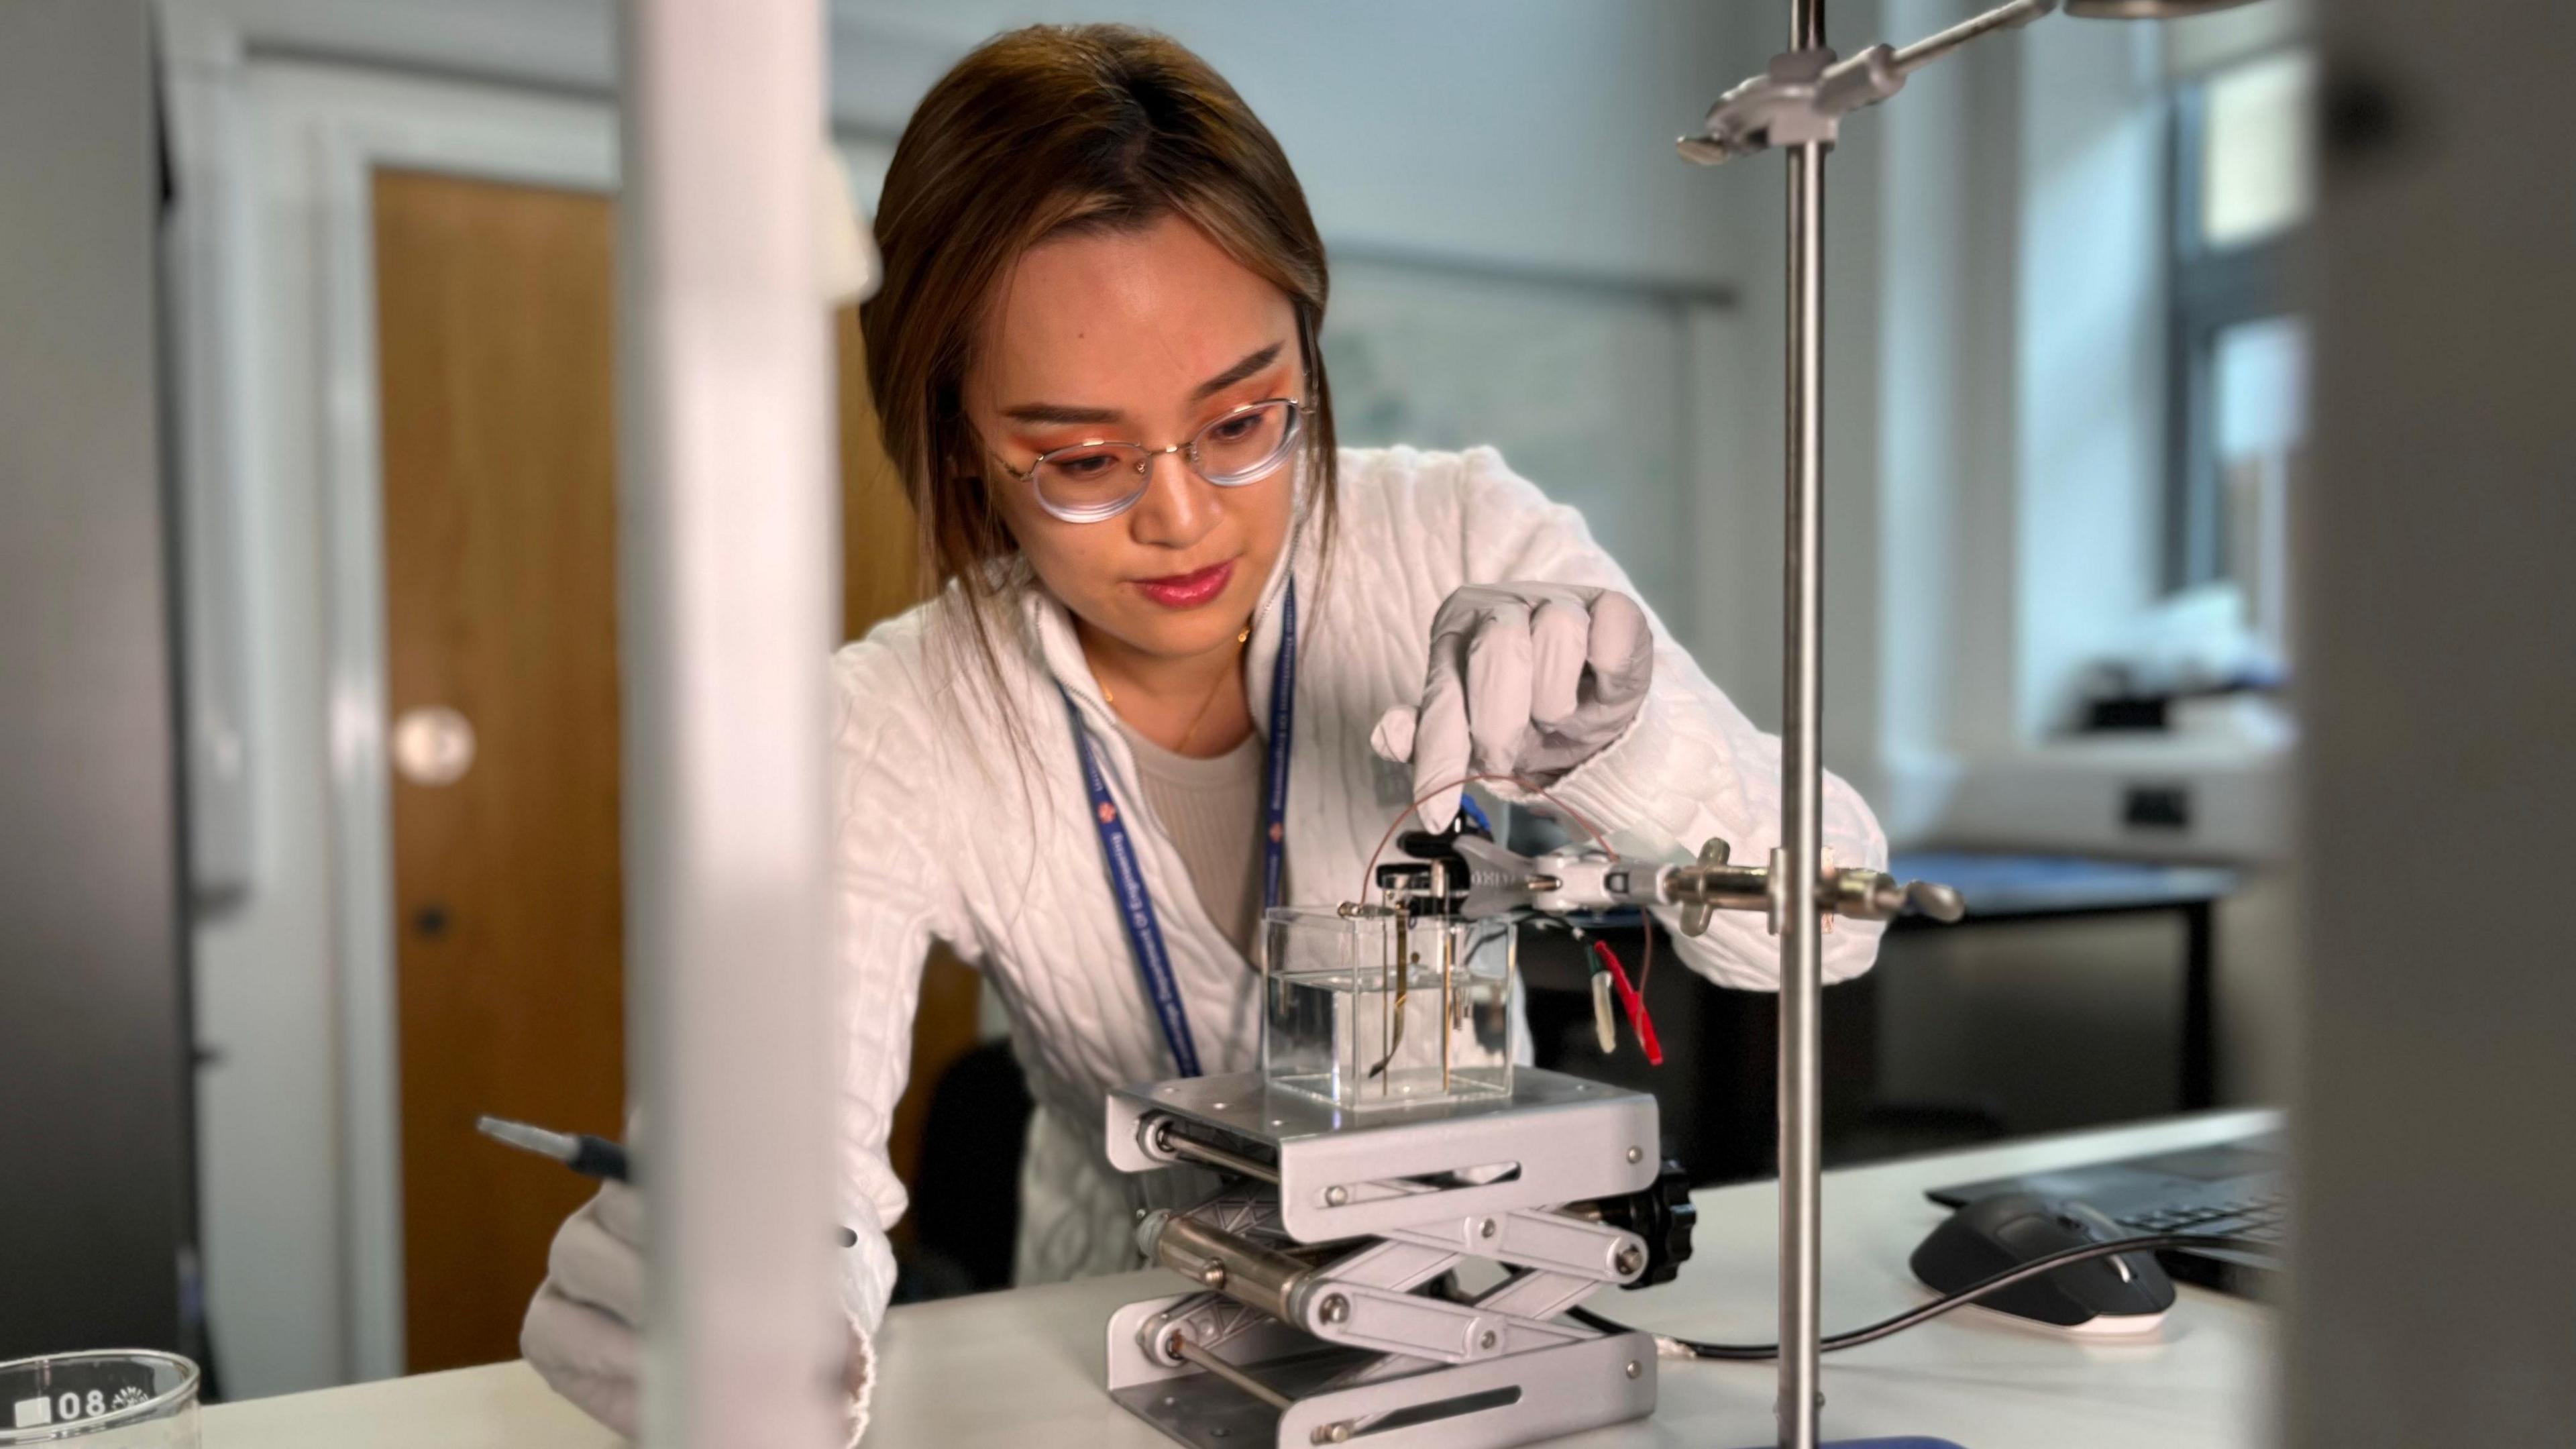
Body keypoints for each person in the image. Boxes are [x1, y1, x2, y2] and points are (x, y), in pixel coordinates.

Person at [523, 21, 1887, 1442]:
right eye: (1083, 459)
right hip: (1122, 1353)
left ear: (1308, 340)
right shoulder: (890, 722)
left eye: (1244, 418)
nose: (1179, 518)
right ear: (960, 445)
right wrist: (759, 1316)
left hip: (1496, 1329)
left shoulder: (1459, 539)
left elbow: (1829, 923)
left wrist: (1625, 741)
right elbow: (795, 1164)